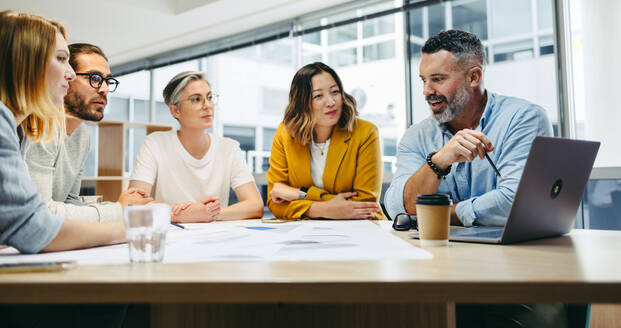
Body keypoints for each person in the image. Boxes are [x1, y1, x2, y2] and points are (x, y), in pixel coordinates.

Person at [384, 30, 566, 327]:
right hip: (438, 271)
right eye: (423, 80)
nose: (427, 90)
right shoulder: (417, 136)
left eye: (438, 79)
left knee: (537, 318)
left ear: (474, 76)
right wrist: (439, 161)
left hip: (515, 271)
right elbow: (399, 207)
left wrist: (442, 214)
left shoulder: (523, 118)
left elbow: (515, 204)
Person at [0, 10, 125, 254]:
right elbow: (34, 227)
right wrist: (130, 226)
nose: (69, 73)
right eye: (60, 59)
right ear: (24, 63)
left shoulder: (17, 132)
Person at [25, 43, 152, 222]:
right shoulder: (40, 125)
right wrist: (119, 210)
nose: (104, 89)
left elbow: (69, 202)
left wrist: (127, 207)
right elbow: (40, 212)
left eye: (107, 80)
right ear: (65, 77)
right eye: (94, 78)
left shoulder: (82, 134)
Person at [129, 71, 263, 222]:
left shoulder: (229, 148)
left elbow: (255, 205)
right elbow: (133, 203)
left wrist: (208, 214)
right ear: (175, 110)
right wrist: (180, 215)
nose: (207, 106)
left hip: (214, 238)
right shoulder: (155, 144)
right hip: (170, 238)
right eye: (196, 99)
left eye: (210, 97)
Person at [267, 62, 383, 220]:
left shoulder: (365, 133)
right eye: (318, 96)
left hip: (361, 228)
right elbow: (275, 201)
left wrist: (300, 195)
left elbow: (364, 205)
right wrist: (322, 209)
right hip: (307, 232)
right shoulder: (285, 134)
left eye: (335, 92)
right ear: (302, 103)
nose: (331, 102)